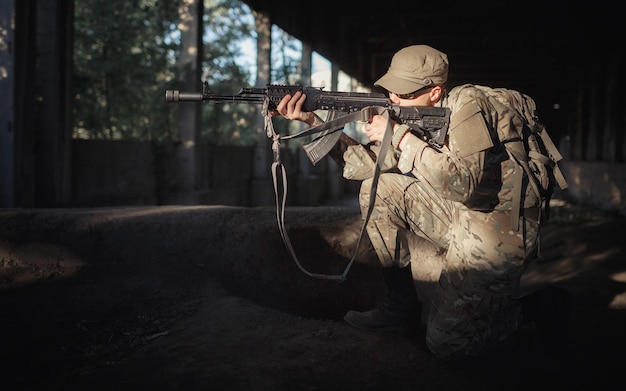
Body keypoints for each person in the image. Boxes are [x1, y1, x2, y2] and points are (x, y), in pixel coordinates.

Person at [271, 44, 543, 359]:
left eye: (404, 93)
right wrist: (312, 121)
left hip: (499, 229)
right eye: (392, 91)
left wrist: (400, 136)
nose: (394, 100)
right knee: (380, 186)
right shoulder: (414, 119)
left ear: (435, 92)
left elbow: (466, 185)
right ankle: (401, 307)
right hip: (459, 213)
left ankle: (525, 311)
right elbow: (363, 166)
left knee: (446, 345)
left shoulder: (470, 106)